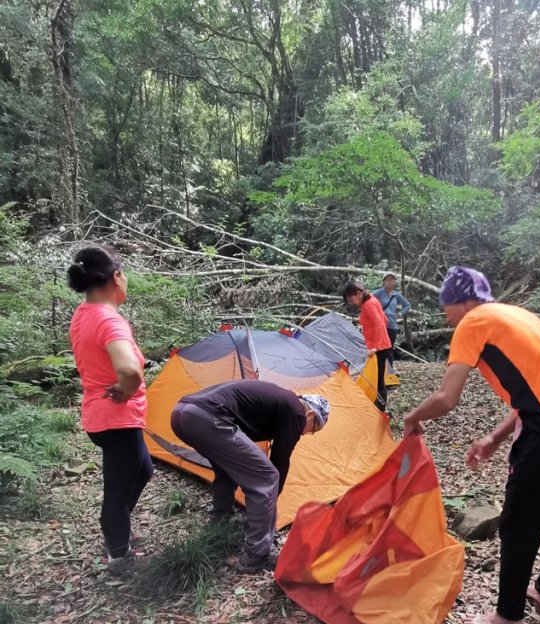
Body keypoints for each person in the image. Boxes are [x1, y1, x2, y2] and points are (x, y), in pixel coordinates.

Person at [402, 266, 540, 624]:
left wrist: (411, 417)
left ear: (462, 301)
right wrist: (494, 438)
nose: (446, 315)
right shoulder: (519, 316)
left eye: (447, 307)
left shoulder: (472, 323)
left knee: (519, 523)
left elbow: (446, 398)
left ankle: (508, 617)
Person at [170, 382, 330, 573]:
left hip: (183, 414)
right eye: (312, 429)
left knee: (226, 467)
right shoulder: (297, 412)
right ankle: (257, 555)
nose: (306, 434)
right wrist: (270, 501)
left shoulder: (281, 402)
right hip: (209, 418)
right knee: (267, 477)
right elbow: (279, 460)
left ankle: (220, 521)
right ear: (311, 415)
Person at [68, 244, 153, 578]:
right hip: (116, 419)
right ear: (116, 277)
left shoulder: (84, 312)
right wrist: (127, 388)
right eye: (125, 273)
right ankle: (118, 556)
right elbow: (130, 370)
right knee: (116, 491)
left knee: (143, 469)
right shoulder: (109, 321)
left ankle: (118, 528)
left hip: (101, 416)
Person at [342, 280, 391, 412]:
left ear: (358, 293)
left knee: (378, 379)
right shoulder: (371, 300)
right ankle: (379, 406)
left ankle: (381, 410)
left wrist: (376, 346)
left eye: (351, 298)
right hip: (380, 346)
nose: (351, 302)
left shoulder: (369, 304)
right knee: (377, 378)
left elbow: (380, 323)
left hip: (379, 348)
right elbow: (385, 319)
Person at [373, 272, 411, 364]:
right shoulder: (379, 293)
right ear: (383, 282)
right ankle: (379, 373)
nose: (389, 282)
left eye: (391, 280)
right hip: (381, 325)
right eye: (387, 280)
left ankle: (390, 374)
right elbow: (368, 300)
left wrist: (400, 314)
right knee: (381, 350)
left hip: (392, 326)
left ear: (394, 282)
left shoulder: (396, 295)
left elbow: (407, 305)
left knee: (389, 349)